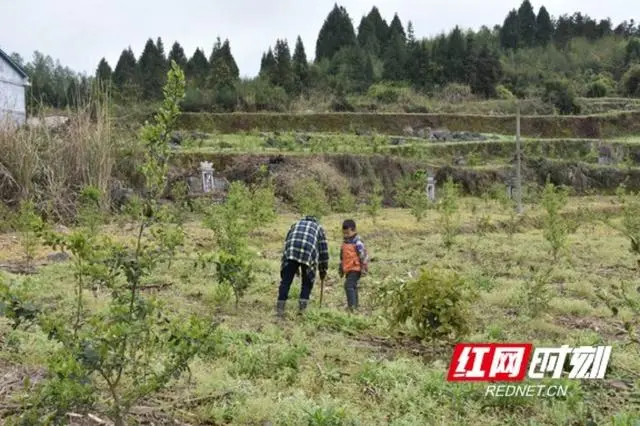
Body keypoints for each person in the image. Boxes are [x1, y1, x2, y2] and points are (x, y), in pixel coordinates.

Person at [276, 215, 329, 318]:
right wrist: (323, 270)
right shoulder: (318, 228)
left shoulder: (295, 224)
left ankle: (280, 308)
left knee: (286, 281)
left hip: (291, 251)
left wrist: (288, 265)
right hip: (308, 252)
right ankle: (302, 309)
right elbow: (323, 252)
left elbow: (287, 241)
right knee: (307, 281)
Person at [339, 219, 368, 312]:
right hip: (348, 268)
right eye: (344, 233)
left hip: (356, 268)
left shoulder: (358, 242)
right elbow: (342, 257)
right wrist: (341, 268)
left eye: (348, 233)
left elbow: (363, 255)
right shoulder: (345, 242)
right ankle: (355, 306)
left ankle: (351, 307)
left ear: (354, 230)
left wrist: (364, 267)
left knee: (348, 285)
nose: (346, 235)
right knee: (353, 286)